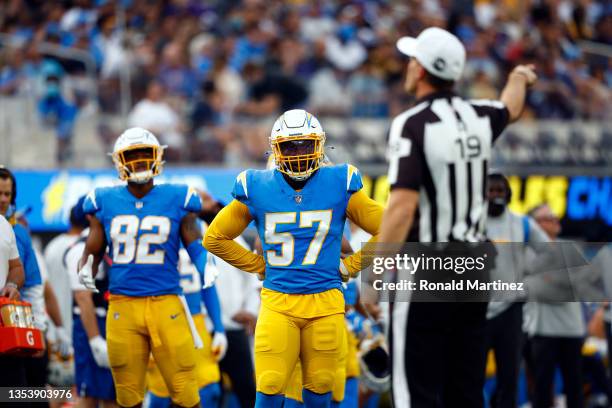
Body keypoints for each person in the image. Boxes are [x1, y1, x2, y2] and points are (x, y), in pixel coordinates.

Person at [377, 27, 537, 407]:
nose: (409, 64)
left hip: (429, 267)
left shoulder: (412, 123)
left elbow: (401, 207)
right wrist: (518, 77)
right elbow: (511, 108)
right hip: (475, 268)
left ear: (421, 70)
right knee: (464, 387)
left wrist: (377, 270)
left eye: (413, 59)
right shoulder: (480, 116)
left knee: (415, 388)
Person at [204, 109, 384, 408]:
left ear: (319, 146)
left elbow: (390, 228)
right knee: (271, 386)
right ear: (276, 148)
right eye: (290, 145)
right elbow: (214, 237)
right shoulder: (258, 186)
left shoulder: (339, 181)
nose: (298, 152)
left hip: (326, 302)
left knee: (319, 393)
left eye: (304, 144)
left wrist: (351, 266)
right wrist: (258, 265)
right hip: (279, 301)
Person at [77, 127, 222, 408]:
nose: (140, 161)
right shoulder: (102, 201)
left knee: (185, 390)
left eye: (146, 154)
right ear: (120, 161)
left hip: (165, 301)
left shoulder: (179, 197)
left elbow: (193, 242)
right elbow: (93, 249)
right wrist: (87, 266)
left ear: (158, 157)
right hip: (123, 304)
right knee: (127, 394)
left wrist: (206, 263)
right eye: (133, 155)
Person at [485, 173, 549, 408]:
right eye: (491, 191)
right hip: (476, 309)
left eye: (500, 191)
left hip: (510, 310)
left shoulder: (522, 224)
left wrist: (530, 277)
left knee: (509, 376)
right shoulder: (471, 223)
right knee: (469, 375)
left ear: (508, 194)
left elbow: (549, 252)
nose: (495, 195)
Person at [146, 224, 227, 408]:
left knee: (207, 388)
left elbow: (208, 282)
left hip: (195, 322)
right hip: (160, 320)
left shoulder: (196, 225)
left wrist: (219, 328)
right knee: (161, 392)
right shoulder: (150, 225)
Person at [524, 204, 585, 408]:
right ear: (536, 225)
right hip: (541, 331)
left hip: (572, 330)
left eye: (555, 216)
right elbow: (530, 289)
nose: (556, 221)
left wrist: (546, 281)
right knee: (541, 389)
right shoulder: (526, 252)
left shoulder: (570, 248)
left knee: (575, 387)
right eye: (549, 217)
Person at [64, 199, 117, 407]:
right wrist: (95, 340)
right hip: (92, 326)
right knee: (89, 394)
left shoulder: (106, 245)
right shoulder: (80, 249)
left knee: (113, 394)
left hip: (110, 323)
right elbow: (83, 297)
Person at [0, 214, 25, 387]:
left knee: (15, 396)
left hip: (4, 325)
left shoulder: (3, 224)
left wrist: (12, 284)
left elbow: (16, 267)